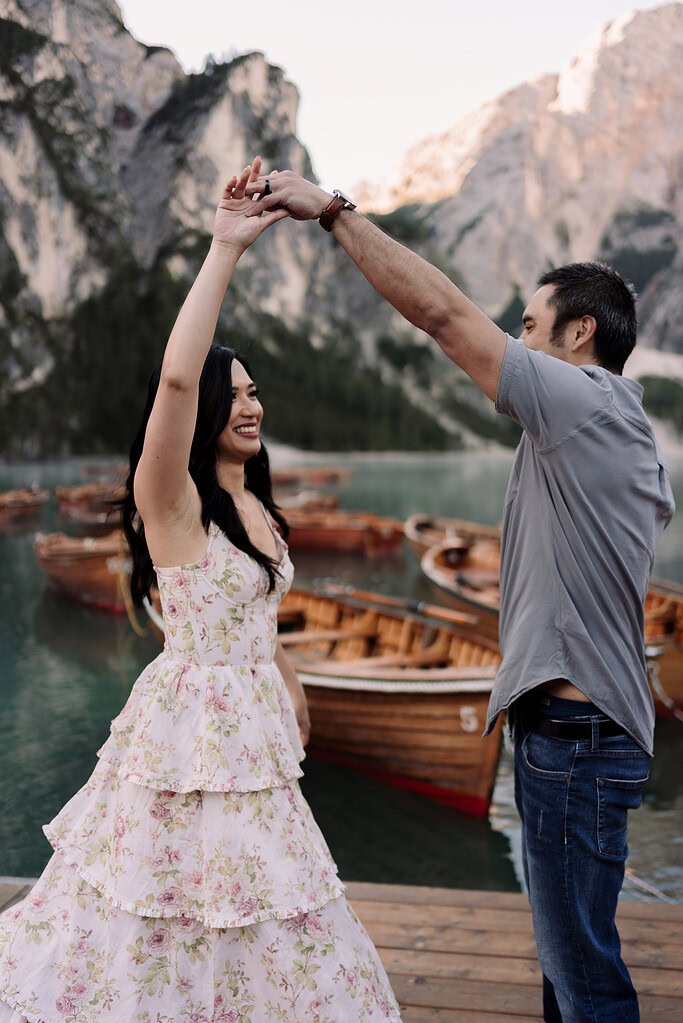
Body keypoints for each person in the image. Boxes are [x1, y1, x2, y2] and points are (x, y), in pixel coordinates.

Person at [245, 165, 676, 1022]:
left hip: (577, 740)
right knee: (568, 966)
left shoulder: (582, 401)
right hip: (586, 733)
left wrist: (330, 212)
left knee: (584, 978)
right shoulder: (607, 427)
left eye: (528, 327)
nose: (512, 342)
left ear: (580, 334)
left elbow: (442, 318)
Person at [0, 160, 402, 1023]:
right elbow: (176, 381)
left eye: (257, 392)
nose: (251, 407)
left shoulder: (256, 503)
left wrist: (292, 686)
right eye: (236, 394)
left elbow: (259, 619)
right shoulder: (171, 503)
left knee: (261, 888)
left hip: (255, 723)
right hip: (185, 726)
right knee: (173, 890)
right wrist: (224, 248)